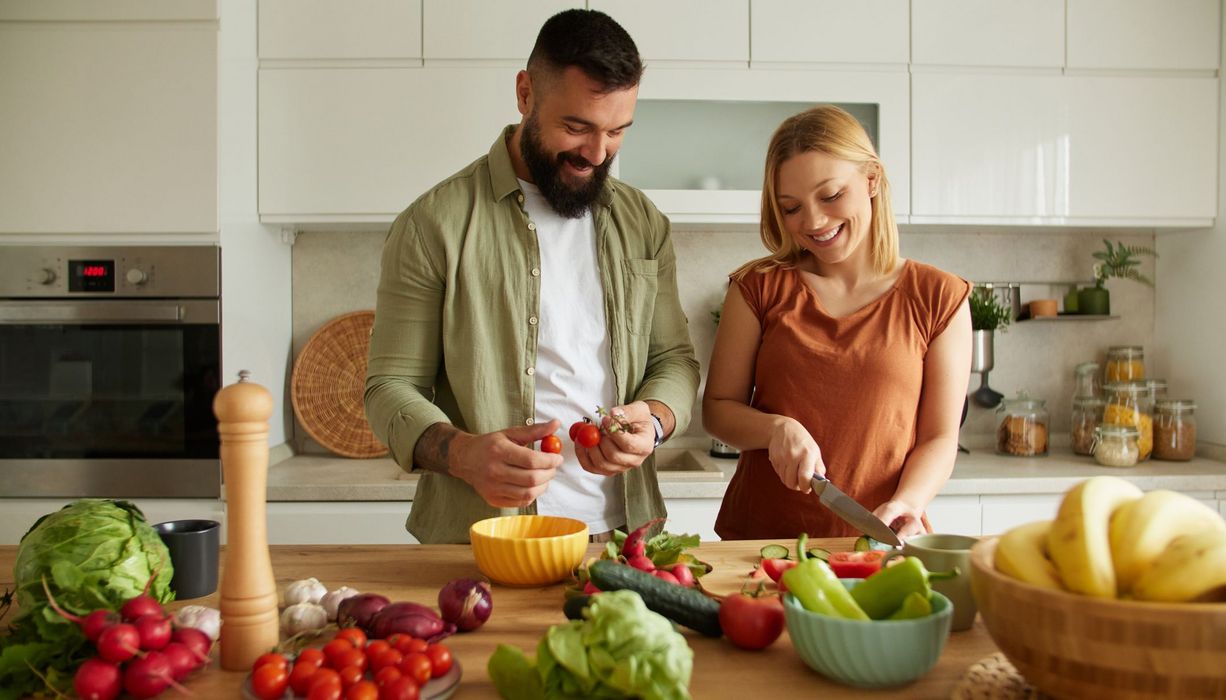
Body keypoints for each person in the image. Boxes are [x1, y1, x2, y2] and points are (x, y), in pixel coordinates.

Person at [365, 9, 699, 545]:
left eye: (617, 131)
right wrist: (464, 454)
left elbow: (674, 360)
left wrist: (655, 420)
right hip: (482, 539)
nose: (597, 153)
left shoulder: (643, 223)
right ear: (525, 94)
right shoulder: (433, 225)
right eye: (576, 127)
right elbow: (388, 387)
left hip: (626, 535)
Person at [703, 105, 972, 540]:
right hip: (759, 544)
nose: (813, 222)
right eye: (791, 208)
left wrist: (910, 501)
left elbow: (939, 437)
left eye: (830, 196)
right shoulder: (757, 288)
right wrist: (776, 428)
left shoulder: (938, 298)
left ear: (872, 180)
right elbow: (717, 410)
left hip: (875, 543)